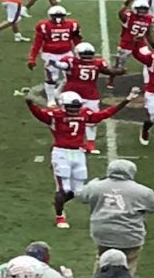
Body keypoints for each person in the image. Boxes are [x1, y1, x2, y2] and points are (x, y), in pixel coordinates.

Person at [26, 89, 140, 229]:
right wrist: (30, 104)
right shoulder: (55, 115)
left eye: (76, 107)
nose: (74, 111)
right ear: (62, 105)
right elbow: (39, 114)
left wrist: (126, 100)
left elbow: (105, 114)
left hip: (78, 153)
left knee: (79, 191)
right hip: (61, 152)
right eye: (70, 107)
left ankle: (58, 203)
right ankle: (60, 216)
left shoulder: (82, 113)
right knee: (63, 188)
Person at [75, 159, 154, 273]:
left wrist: (91, 184)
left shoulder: (96, 186)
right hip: (130, 236)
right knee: (128, 266)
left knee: (103, 260)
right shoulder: (142, 191)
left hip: (103, 235)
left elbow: (80, 195)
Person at [50, 43, 126, 154]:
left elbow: (62, 66)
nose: (86, 57)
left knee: (80, 120)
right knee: (72, 119)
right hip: (84, 94)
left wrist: (54, 62)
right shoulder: (96, 62)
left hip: (74, 94)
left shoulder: (72, 61)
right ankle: (67, 142)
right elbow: (109, 71)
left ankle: (89, 144)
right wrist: (120, 71)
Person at [27, 5, 83, 104]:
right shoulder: (46, 26)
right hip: (50, 55)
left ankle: (57, 92)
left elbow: (77, 40)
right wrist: (31, 58)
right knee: (52, 78)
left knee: (71, 77)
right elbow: (37, 42)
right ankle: (51, 99)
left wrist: (80, 53)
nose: (58, 18)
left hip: (66, 54)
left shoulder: (71, 24)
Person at [107, 0, 154, 89]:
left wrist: (153, 46)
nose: (142, 11)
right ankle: (110, 79)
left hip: (140, 43)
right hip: (127, 43)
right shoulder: (129, 16)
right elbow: (120, 13)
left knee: (151, 60)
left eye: (144, 9)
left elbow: (148, 33)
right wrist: (127, 2)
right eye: (140, 9)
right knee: (119, 65)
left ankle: (149, 80)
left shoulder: (149, 18)